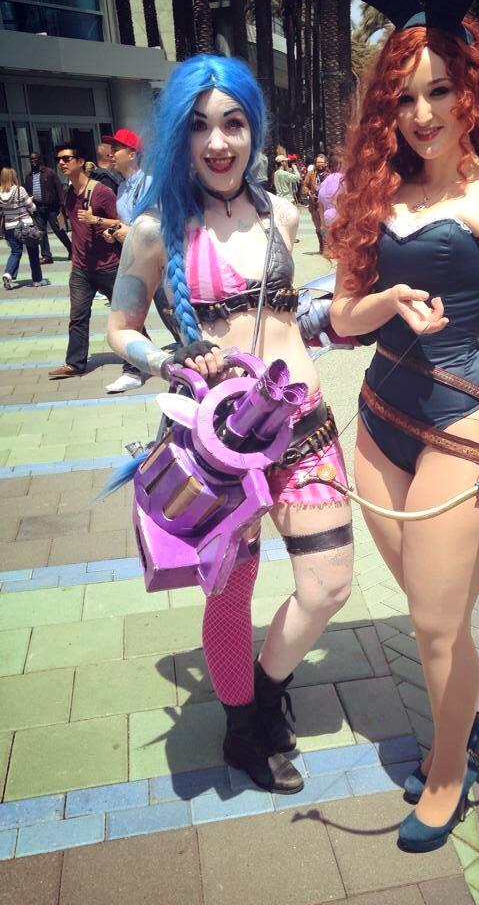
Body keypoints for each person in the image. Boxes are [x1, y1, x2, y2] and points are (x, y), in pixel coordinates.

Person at [330, 0, 479, 853]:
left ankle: (447, 773)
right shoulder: (379, 197)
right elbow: (343, 315)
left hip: (464, 431)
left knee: (432, 622)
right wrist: (386, 303)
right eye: (405, 99)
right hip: (376, 423)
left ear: (475, 93)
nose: (422, 114)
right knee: (438, 616)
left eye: (440, 91)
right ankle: (454, 716)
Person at [106, 54, 354, 795]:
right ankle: (243, 726)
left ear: (254, 130)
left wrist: (351, 315)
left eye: (234, 123)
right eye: (201, 126)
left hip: (305, 430)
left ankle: (267, 689)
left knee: (328, 586)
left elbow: (290, 317)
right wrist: (169, 359)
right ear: (179, 136)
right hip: (220, 452)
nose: (218, 142)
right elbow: (119, 327)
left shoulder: (282, 213)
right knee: (230, 596)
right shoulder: (153, 229)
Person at [47, 142, 144, 380]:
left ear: (81, 162)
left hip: (108, 266)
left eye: (67, 158)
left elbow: (120, 223)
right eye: (59, 159)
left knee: (126, 316)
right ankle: (75, 363)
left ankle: (140, 356)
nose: (62, 163)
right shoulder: (68, 193)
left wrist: (96, 220)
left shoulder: (101, 192)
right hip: (81, 268)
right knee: (78, 317)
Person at [99, 127, 177, 392]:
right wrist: (116, 232)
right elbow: (129, 224)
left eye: (116, 149)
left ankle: (192, 360)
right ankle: (133, 369)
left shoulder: (152, 185)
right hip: (135, 265)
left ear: (132, 154)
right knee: (128, 320)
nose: (111, 154)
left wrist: (129, 232)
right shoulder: (121, 188)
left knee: (172, 316)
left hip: (160, 266)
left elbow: (163, 226)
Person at [0, 166, 48, 289]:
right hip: (25, 225)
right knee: (33, 252)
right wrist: (30, 201)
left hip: (10, 227)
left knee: (15, 251)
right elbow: (31, 207)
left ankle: (8, 274)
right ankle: (37, 280)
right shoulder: (19, 190)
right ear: (13, 176)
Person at [24, 152, 72, 263]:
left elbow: (59, 189)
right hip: (38, 208)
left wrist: (62, 205)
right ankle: (46, 256)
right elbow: (27, 192)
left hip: (52, 208)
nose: (33, 161)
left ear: (40, 159)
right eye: (31, 159)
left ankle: (72, 249)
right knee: (41, 232)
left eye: (35, 159)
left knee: (58, 230)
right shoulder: (29, 176)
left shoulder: (49, 173)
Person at [316, 148, 344, 256]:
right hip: (341, 220)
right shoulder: (344, 179)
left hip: (328, 219)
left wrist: (322, 224)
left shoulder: (325, 182)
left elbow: (320, 204)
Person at [303, 153, 329, 252]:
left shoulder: (329, 174)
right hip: (315, 204)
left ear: (326, 163)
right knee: (318, 227)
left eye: (321, 162)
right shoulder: (311, 174)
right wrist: (309, 192)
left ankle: (327, 246)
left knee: (327, 226)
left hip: (326, 205)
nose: (319, 164)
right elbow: (304, 186)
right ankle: (322, 245)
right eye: (318, 162)